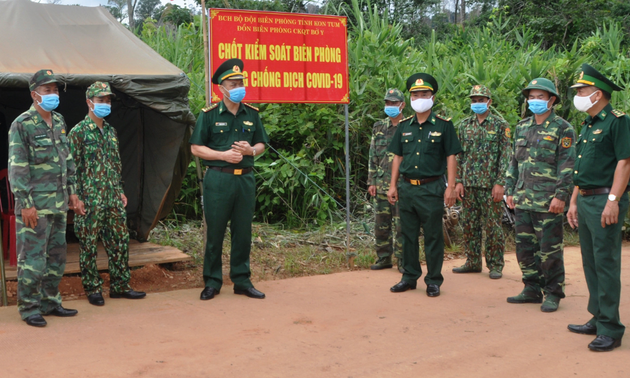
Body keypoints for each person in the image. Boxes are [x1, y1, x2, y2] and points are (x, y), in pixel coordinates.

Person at [190, 58, 269, 301]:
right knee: (215, 233)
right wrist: (222, 155)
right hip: (218, 180)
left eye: (241, 83)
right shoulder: (209, 115)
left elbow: (262, 144)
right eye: (234, 84)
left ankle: (242, 280)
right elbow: (195, 148)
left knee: (243, 232)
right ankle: (212, 282)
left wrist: (251, 151)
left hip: (244, 181)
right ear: (221, 88)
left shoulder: (252, 114)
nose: (239, 88)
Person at [8, 69, 80, 327]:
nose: (53, 94)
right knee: (32, 260)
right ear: (34, 94)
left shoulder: (59, 121)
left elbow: (67, 160)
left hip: (58, 205)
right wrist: (26, 204)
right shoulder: (22, 124)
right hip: (35, 207)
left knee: (57, 257)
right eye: (47, 90)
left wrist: (72, 192)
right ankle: (29, 308)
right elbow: (18, 168)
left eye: (55, 90)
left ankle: (51, 302)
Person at [566, 64, 630, 352]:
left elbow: (625, 163)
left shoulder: (618, 122)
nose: (578, 94)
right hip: (587, 198)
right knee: (590, 261)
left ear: (598, 93)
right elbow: (583, 167)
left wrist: (613, 201)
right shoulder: (588, 125)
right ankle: (598, 316)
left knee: (605, 263)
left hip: (606, 199)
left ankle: (611, 329)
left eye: (582, 90)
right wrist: (573, 201)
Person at [68, 82, 146, 306]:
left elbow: (115, 165)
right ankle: (93, 288)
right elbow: (70, 169)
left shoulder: (111, 132)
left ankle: (120, 286)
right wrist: (75, 197)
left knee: (120, 242)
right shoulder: (78, 133)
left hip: (112, 197)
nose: (105, 104)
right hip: (89, 200)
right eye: (101, 100)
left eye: (108, 100)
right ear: (89, 102)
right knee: (89, 245)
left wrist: (120, 190)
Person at [387, 73, 462, 297]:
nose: (420, 98)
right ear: (410, 98)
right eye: (416, 94)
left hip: (431, 188)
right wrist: (392, 185)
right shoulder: (403, 126)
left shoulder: (444, 126)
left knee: (432, 236)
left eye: (424, 94)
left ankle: (433, 280)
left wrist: (450, 187)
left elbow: (451, 156)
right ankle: (409, 277)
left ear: (432, 97)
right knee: (407, 235)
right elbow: (397, 158)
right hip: (407, 188)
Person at [505, 78, 576, 312]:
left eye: (540, 97)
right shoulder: (522, 127)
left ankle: (553, 292)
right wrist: (509, 189)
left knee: (550, 250)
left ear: (552, 100)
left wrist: (561, 195)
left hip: (548, 202)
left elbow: (567, 165)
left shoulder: (562, 128)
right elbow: (514, 162)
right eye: (531, 97)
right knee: (525, 248)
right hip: (523, 199)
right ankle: (531, 288)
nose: (534, 101)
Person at [454, 85, 511, 279]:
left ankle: (495, 265)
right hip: (469, 184)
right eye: (474, 100)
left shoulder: (500, 125)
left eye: (481, 99)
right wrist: (458, 181)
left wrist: (500, 183)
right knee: (469, 224)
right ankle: (472, 261)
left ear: (489, 101)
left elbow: (505, 156)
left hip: (490, 185)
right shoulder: (464, 125)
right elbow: (459, 156)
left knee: (493, 226)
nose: (477, 103)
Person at [367, 88, 405, 272]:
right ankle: (384, 258)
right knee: (381, 225)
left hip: (401, 185)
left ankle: (403, 260)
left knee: (401, 226)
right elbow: (373, 154)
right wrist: (371, 180)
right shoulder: (378, 127)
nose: (390, 106)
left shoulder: (408, 126)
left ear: (402, 105)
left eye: (393, 103)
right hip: (381, 183)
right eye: (387, 103)